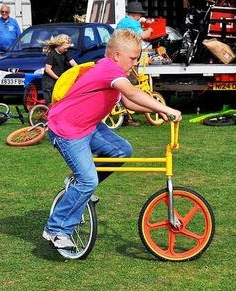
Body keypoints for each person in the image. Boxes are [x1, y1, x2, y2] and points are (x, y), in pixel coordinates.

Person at [43, 29, 182, 249]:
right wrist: (167, 107)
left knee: (121, 150)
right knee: (88, 180)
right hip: (67, 130)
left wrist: (157, 112)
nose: (135, 63)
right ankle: (56, 229)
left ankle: (79, 186)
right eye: (133, 58)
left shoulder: (116, 73)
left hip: (88, 126)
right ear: (117, 55)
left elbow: (129, 102)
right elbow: (135, 94)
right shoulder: (108, 68)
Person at [41, 34, 78, 105]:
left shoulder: (65, 53)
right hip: (49, 80)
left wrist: (78, 69)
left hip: (59, 79)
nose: (66, 50)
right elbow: (47, 69)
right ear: (59, 45)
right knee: (50, 100)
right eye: (65, 48)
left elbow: (73, 63)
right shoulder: (52, 54)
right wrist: (57, 78)